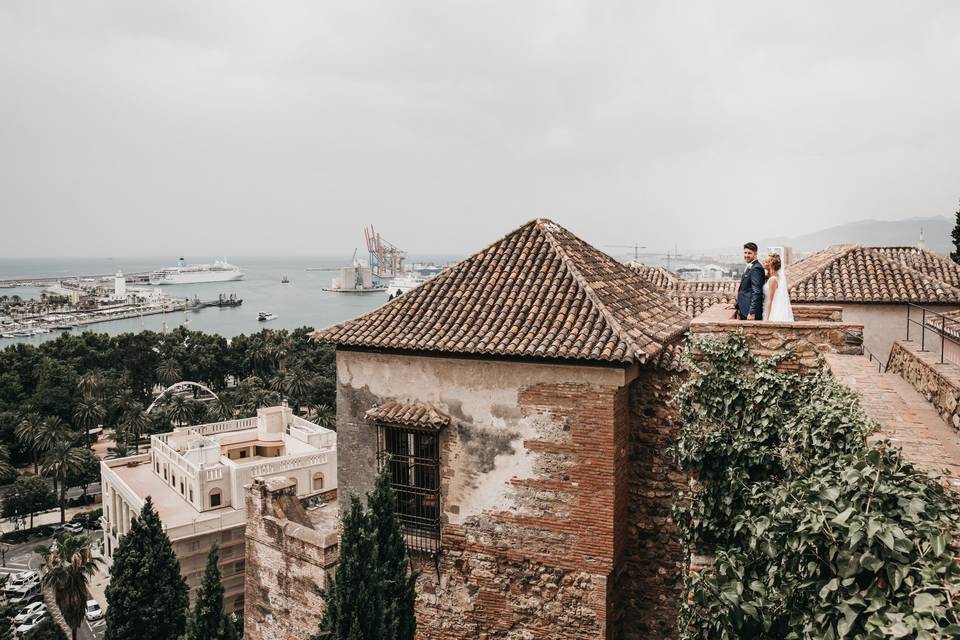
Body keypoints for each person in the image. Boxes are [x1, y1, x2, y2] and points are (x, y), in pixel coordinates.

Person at [733, 242, 765, 320]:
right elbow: (745, 289)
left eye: (749, 253)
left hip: (749, 312)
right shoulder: (751, 266)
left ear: (755, 254)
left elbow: (756, 291)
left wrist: (752, 312)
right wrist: (736, 305)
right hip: (744, 308)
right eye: (745, 253)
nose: (746, 255)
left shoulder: (756, 268)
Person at [763, 253, 794, 322]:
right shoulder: (775, 277)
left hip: (773, 312)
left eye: (766, 262)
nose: (764, 263)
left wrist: (767, 318)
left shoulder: (773, 279)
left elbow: (770, 301)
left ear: (770, 265)